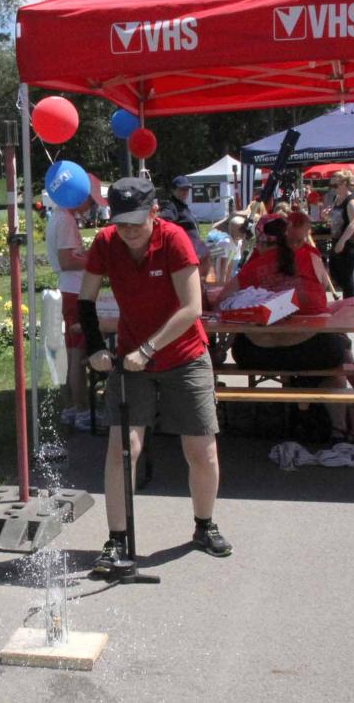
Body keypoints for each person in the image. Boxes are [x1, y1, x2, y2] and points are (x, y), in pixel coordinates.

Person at [78, 177, 232, 573]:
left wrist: (149, 349)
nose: (127, 230)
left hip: (184, 354)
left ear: (154, 211)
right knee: (122, 447)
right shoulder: (106, 243)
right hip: (131, 359)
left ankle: (204, 524)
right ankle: (116, 539)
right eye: (120, 222)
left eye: (135, 221)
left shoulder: (175, 239)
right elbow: (85, 299)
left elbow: (192, 307)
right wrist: (96, 346)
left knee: (201, 450)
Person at [216, 213, 351, 443]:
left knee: (309, 357)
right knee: (341, 357)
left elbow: (222, 301)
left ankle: (294, 411)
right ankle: (339, 430)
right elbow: (320, 298)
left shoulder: (252, 268)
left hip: (258, 355)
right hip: (315, 352)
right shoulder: (311, 256)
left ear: (259, 241)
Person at [46, 173, 107, 432]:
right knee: (77, 355)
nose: (90, 206)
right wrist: (96, 262)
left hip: (68, 289)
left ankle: (71, 407)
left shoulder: (58, 217)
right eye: (89, 201)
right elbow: (67, 261)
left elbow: (68, 257)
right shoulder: (67, 221)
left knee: (70, 353)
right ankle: (82, 411)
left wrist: (85, 255)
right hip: (74, 291)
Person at [321, 170, 354, 298]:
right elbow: (334, 219)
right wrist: (325, 215)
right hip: (336, 239)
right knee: (335, 274)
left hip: (349, 242)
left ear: (344, 184)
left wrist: (342, 241)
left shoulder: (351, 201)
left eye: (335, 185)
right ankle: (352, 302)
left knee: (346, 279)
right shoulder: (336, 199)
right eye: (331, 186)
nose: (333, 188)